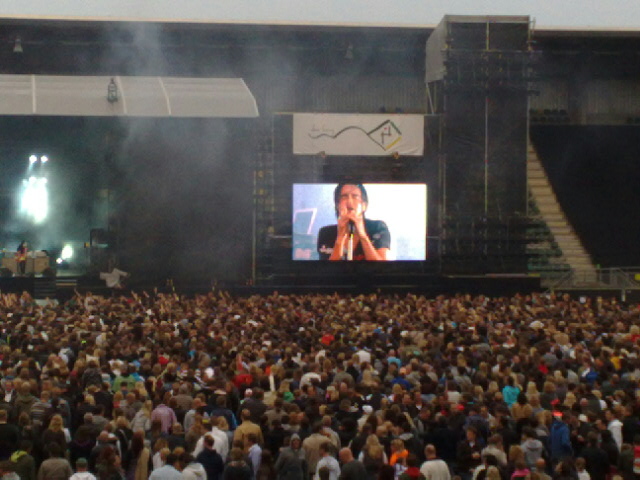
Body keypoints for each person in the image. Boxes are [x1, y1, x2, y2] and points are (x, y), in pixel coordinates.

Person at [316, 183, 390, 261]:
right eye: (344, 196)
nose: (349, 201)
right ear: (337, 205)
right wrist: (340, 238)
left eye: (355, 196)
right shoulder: (326, 233)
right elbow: (326, 270)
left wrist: (363, 236)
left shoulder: (377, 228)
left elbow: (382, 267)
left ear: (364, 205)